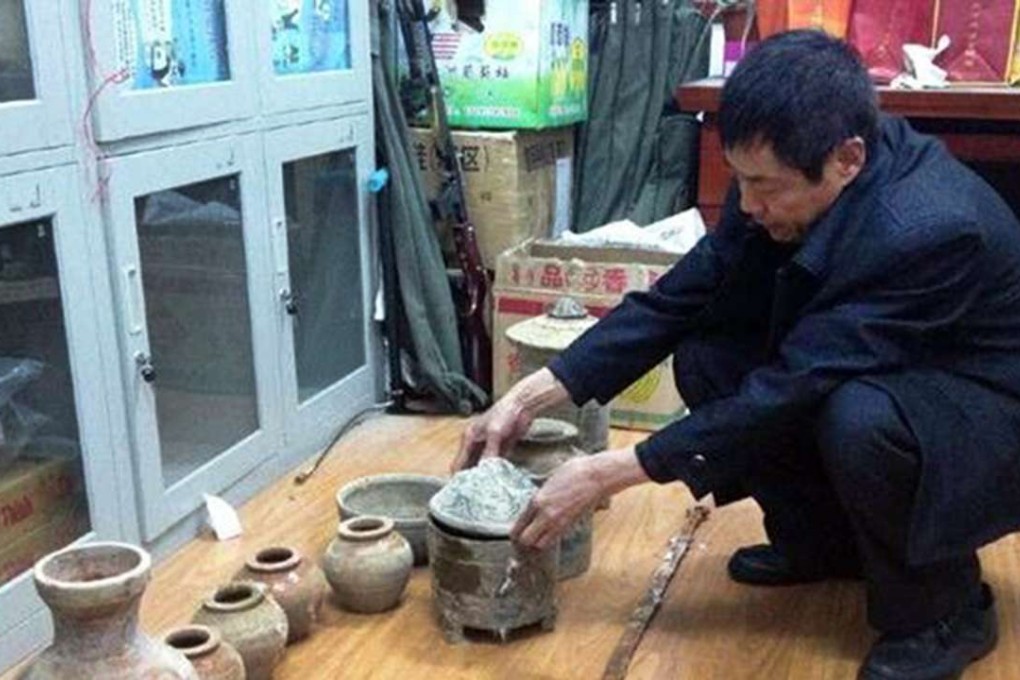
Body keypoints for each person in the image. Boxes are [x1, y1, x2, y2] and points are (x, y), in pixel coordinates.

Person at [455, 30, 1020, 680]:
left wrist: (607, 472)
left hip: (987, 419)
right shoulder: (787, 169)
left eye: (766, 188)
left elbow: (795, 383)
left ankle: (945, 610)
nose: (748, 206)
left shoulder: (929, 229)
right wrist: (528, 395)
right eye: (740, 180)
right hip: (886, 371)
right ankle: (829, 547)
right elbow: (681, 297)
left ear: (847, 159)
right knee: (710, 362)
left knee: (857, 419)